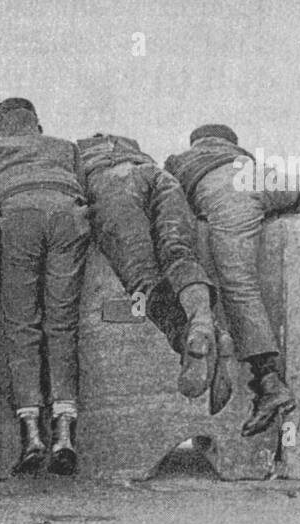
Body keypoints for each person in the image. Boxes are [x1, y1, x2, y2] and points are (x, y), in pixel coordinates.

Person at [165, 124, 300, 436]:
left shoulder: (181, 160)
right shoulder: (240, 156)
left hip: (222, 194)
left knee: (239, 287)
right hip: (259, 176)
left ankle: (269, 382)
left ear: (196, 142)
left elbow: (170, 200)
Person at [77, 132, 229, 415]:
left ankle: (185, 336)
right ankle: (203, 320)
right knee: (178, 251)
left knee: (143, 278)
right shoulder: (131, 145)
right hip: (157, 176)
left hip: (111, 185)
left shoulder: (76, 153)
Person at [0, 98, 90, 475]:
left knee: (21, 327)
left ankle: (32, 435)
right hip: (66, 216)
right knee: (62, 326)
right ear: (37, 125)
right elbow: (84, 188)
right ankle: (64, 434)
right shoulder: (66, 147)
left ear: (0, 126)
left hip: (19, 219)